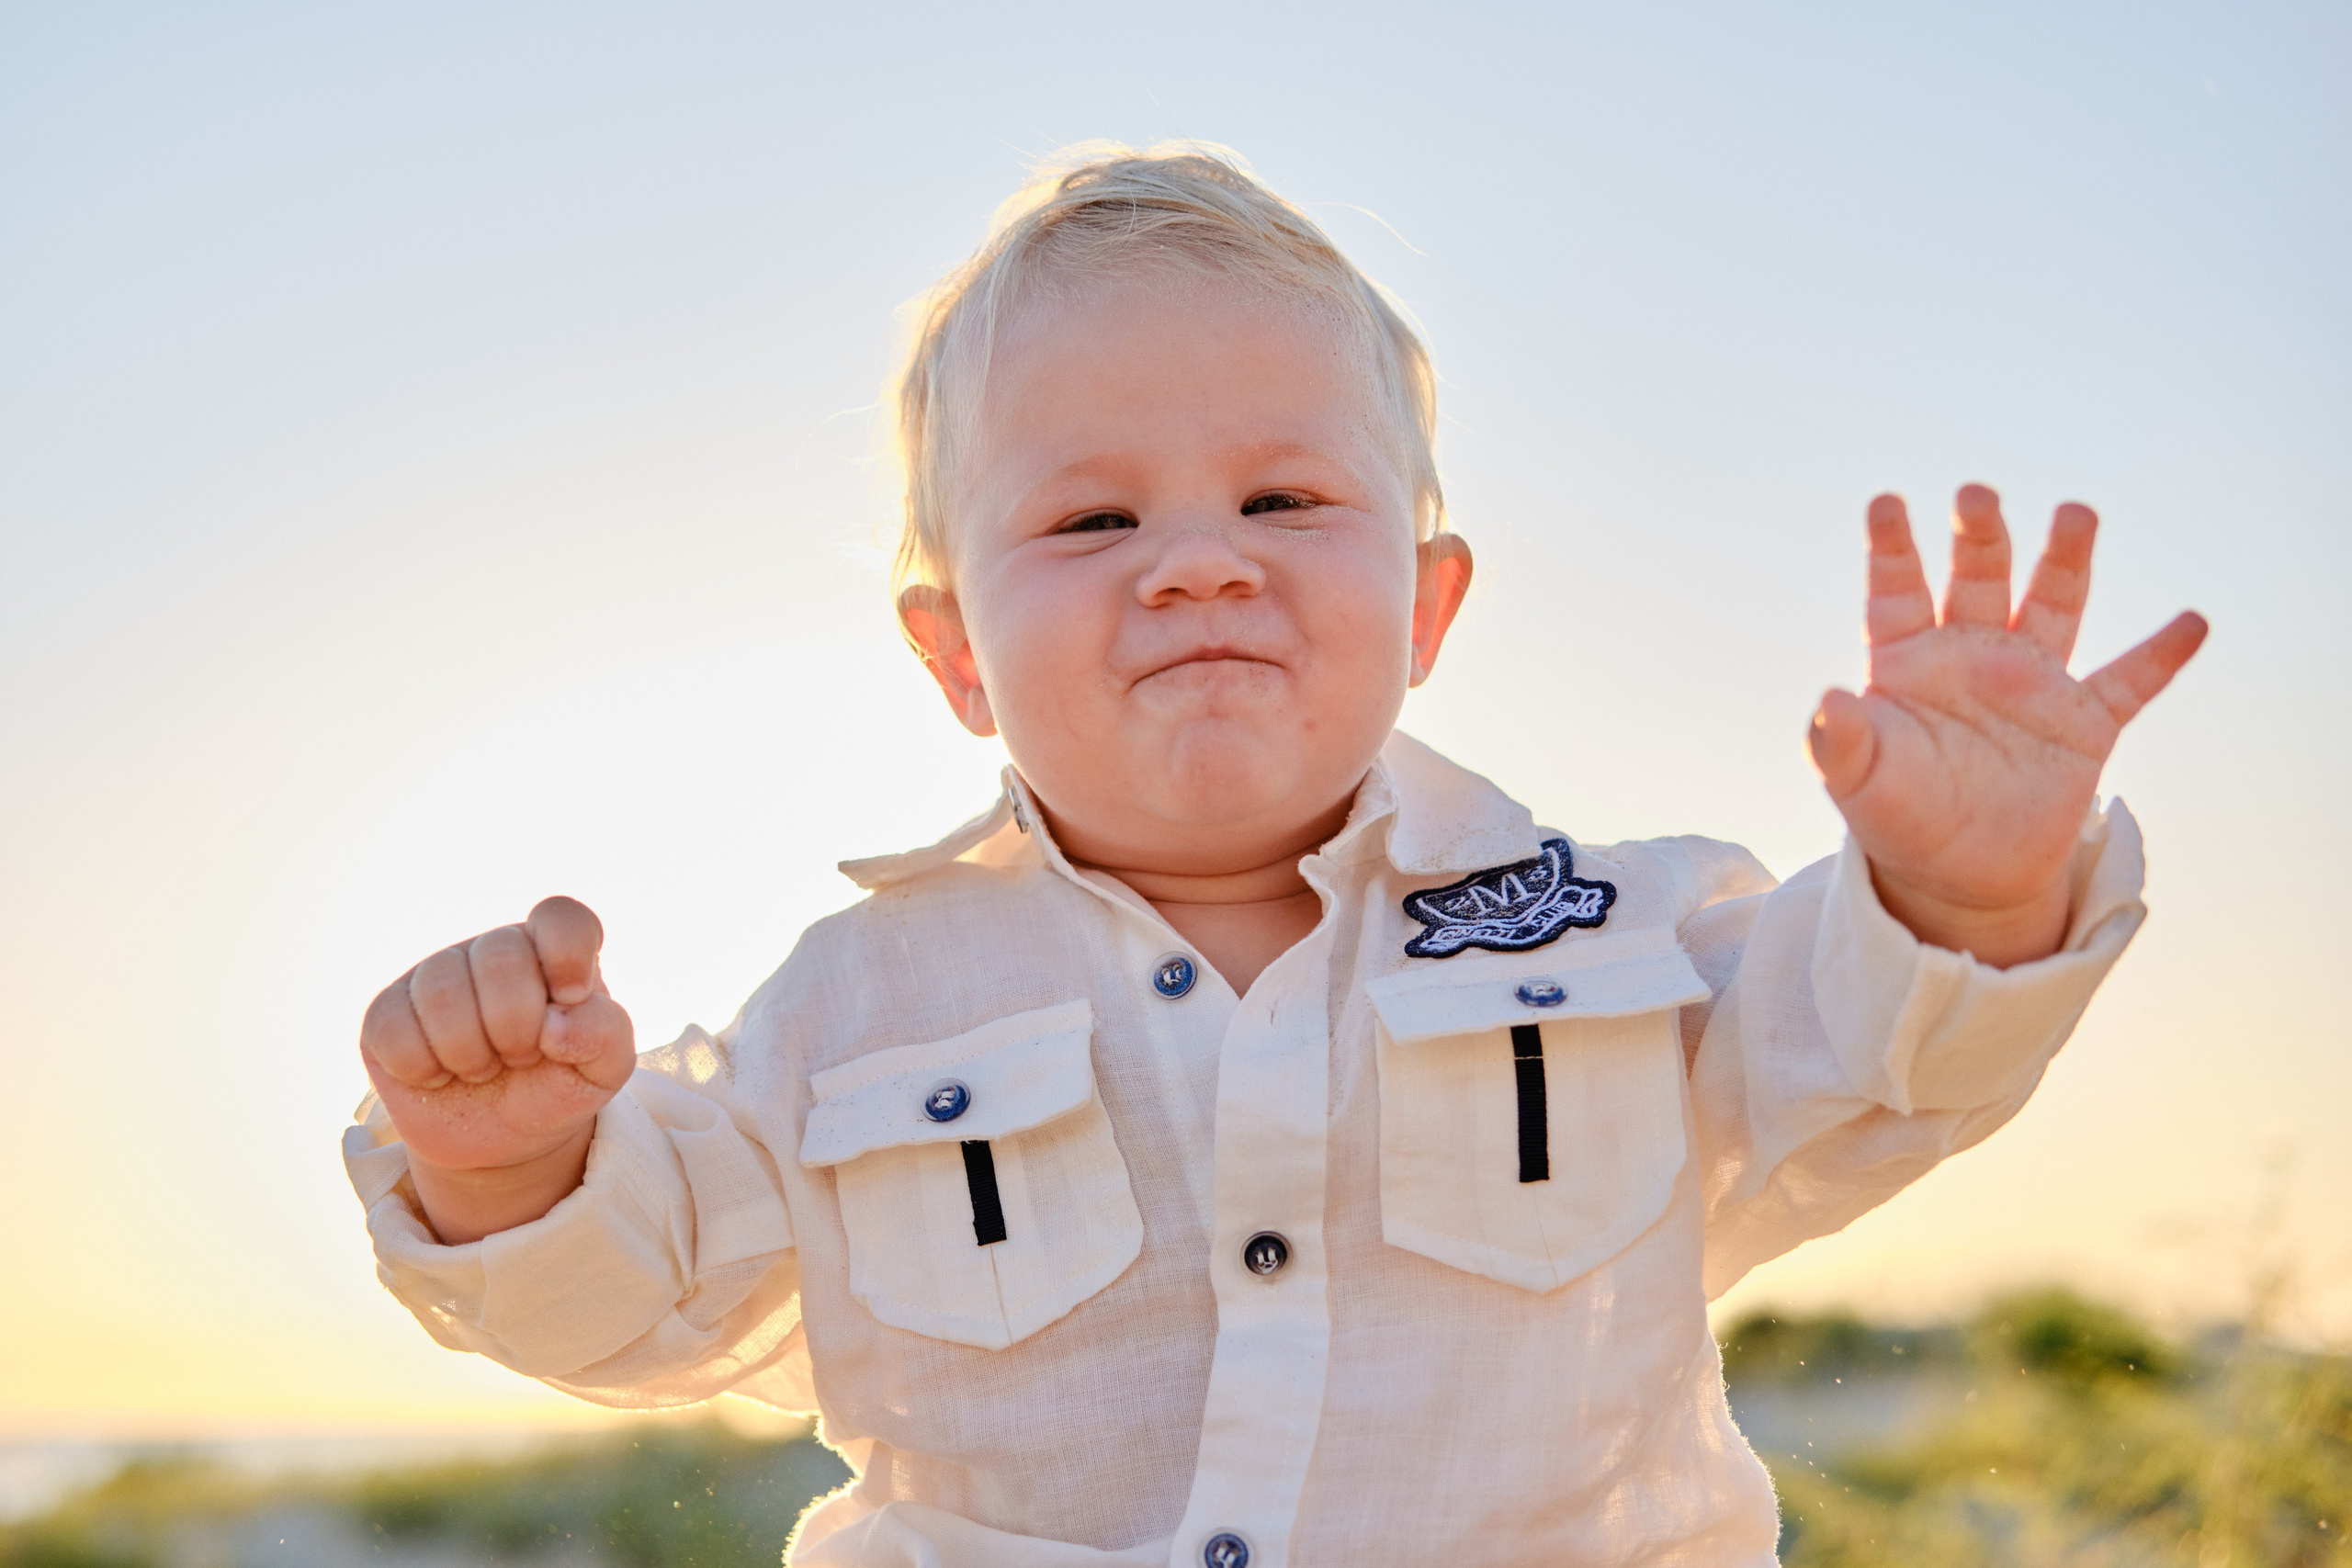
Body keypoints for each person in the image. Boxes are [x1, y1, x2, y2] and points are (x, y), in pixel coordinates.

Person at [342, 144, 2206, 1567]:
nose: (1197, 559)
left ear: (1428, 597)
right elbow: (656, 1296)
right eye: (1089, 513)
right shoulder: (858, 1007)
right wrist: (510, 1164)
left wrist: (1963, 888)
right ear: (951, 654)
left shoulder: (1619, 931)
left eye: (1283, 497)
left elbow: (1873, 1058)